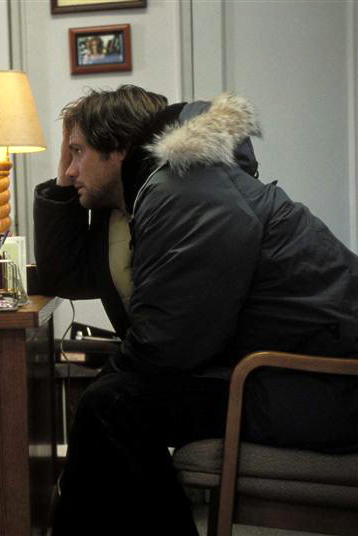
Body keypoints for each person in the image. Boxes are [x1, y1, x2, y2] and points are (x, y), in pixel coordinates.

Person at [33, 85, 358, 534]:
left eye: (77, 152)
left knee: (111, 405)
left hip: (322, 386)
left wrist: (105, 384)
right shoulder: (164, 192)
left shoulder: (184, 191)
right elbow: (64, 275)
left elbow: (168, 342)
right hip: (280, 376)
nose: (70, 170)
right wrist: (64, 180)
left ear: (119, 149)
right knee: (111, 406)